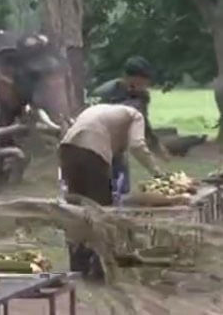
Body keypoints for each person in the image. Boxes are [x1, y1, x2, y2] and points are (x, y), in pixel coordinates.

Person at [58, 102, 164, 280]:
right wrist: (158, 173)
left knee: (76, 210)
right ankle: (101, 268)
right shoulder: (135, 115)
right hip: (92, 153)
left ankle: (78, 266)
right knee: (101, 211)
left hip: (67, 149)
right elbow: (137, 145)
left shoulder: (100, 110)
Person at [91, 56, 170, 198]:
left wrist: (156, 146)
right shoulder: (103, 94)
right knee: (102, 191)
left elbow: (143, 122)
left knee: (122, 189)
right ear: (127, 77)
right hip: (97, 144)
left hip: (119, 148)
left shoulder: (142, 96)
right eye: (139, 82)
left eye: (145, 82)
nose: (143, 86)